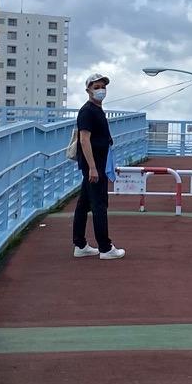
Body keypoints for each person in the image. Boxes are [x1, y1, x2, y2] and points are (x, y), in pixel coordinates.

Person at [71, 70, 124, 261]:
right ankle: (105, 247)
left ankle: (80, 245)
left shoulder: (96, 110)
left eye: (103, 87)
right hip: (94, 165)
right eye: (96, 87)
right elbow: (84, 139)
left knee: (84, 204)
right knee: (99, 205)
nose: (101, 90)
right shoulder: (87, 111)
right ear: (88, 90)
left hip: (98, 163)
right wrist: (93, 167)